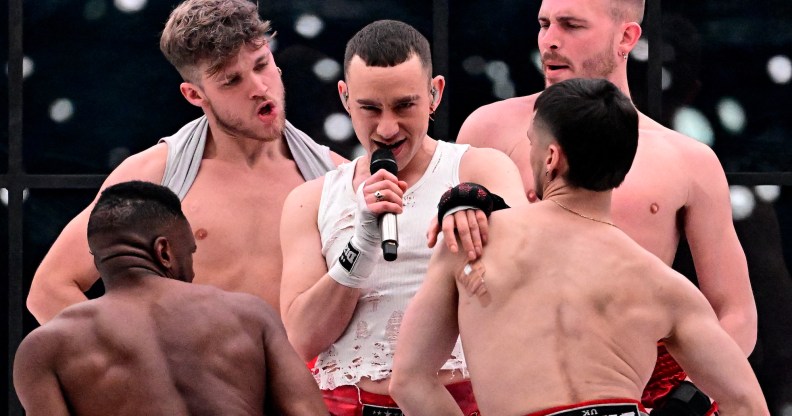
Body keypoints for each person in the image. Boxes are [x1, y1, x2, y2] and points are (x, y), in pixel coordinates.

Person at [390, 78, 769, 416]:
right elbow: (747, 403)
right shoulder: (663, 285)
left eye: (532, 146)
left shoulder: (471, 242)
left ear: (551, 157)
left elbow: (409, 381)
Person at [445, 0, 757, 409]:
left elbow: (735, 311)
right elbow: (444, 259)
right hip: (511, 375)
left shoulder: (687, 161)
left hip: (639, 381)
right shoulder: (489, 128)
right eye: (543, 24)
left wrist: (688, 399)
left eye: (571, 25)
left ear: (626, 37)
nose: (550, 40)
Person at [26, 0, 345, 324]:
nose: (259, 88)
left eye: (261, 64)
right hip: (192, 373)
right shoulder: (153, 176)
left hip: (310, 372)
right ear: (195, 95)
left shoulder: (338, 177)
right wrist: (135, 365)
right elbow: (49, 289)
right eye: (232, 81)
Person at [279, 20, 527, 415]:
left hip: (461, 401)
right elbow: (302, 339)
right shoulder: (310, 200)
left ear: (434, 94)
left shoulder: (480, 168)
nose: (387, 127)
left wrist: (475, 199)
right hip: (348, 403)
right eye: (370, 108)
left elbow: (533, 276)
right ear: (345, 99)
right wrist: (359, 245)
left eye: (404, 105)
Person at [13, 181, 328, 416]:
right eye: (190, 253)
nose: (191, 273)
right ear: (164, 251)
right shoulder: (248, 315)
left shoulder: (44, 349)